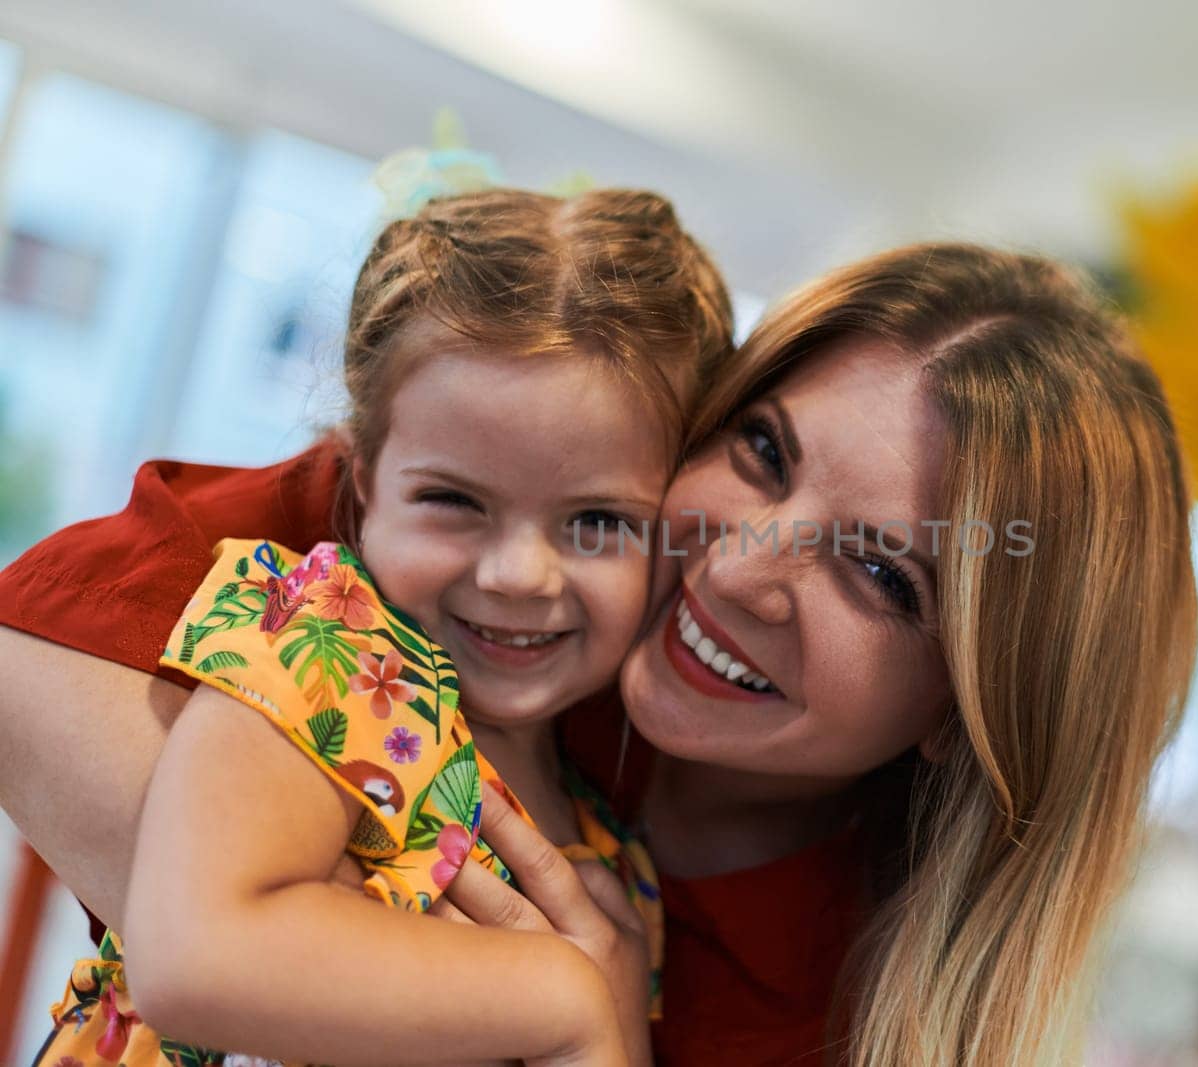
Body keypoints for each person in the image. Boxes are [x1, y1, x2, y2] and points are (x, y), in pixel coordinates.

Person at [0, 242, 1198, 1066]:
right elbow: (27, 647)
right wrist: (530, 1003)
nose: (735, 569)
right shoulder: (497, 548)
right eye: (764, 452)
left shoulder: (842, 1004)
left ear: (971, 703)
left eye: (880, 572)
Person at [24, 179, 734, 1067]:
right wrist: (565, 1002)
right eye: (452, 500)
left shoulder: (619, 870)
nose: (517, 574)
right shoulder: (333, 649)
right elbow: (194, 953)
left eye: (597, 521)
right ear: (361, 482)